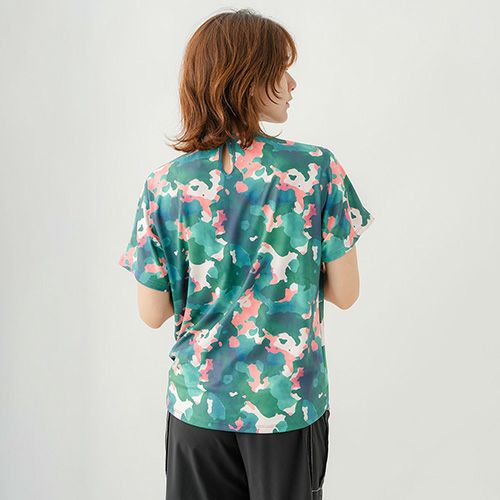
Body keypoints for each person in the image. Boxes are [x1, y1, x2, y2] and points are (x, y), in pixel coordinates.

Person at [118, 8, 375, 500]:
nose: (293, 83)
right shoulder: (317, 170)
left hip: (197, 408)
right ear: (247, 77)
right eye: (281, 69)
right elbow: (346, 293)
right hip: (286, 409)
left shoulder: (164, 186)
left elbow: (152, 313)